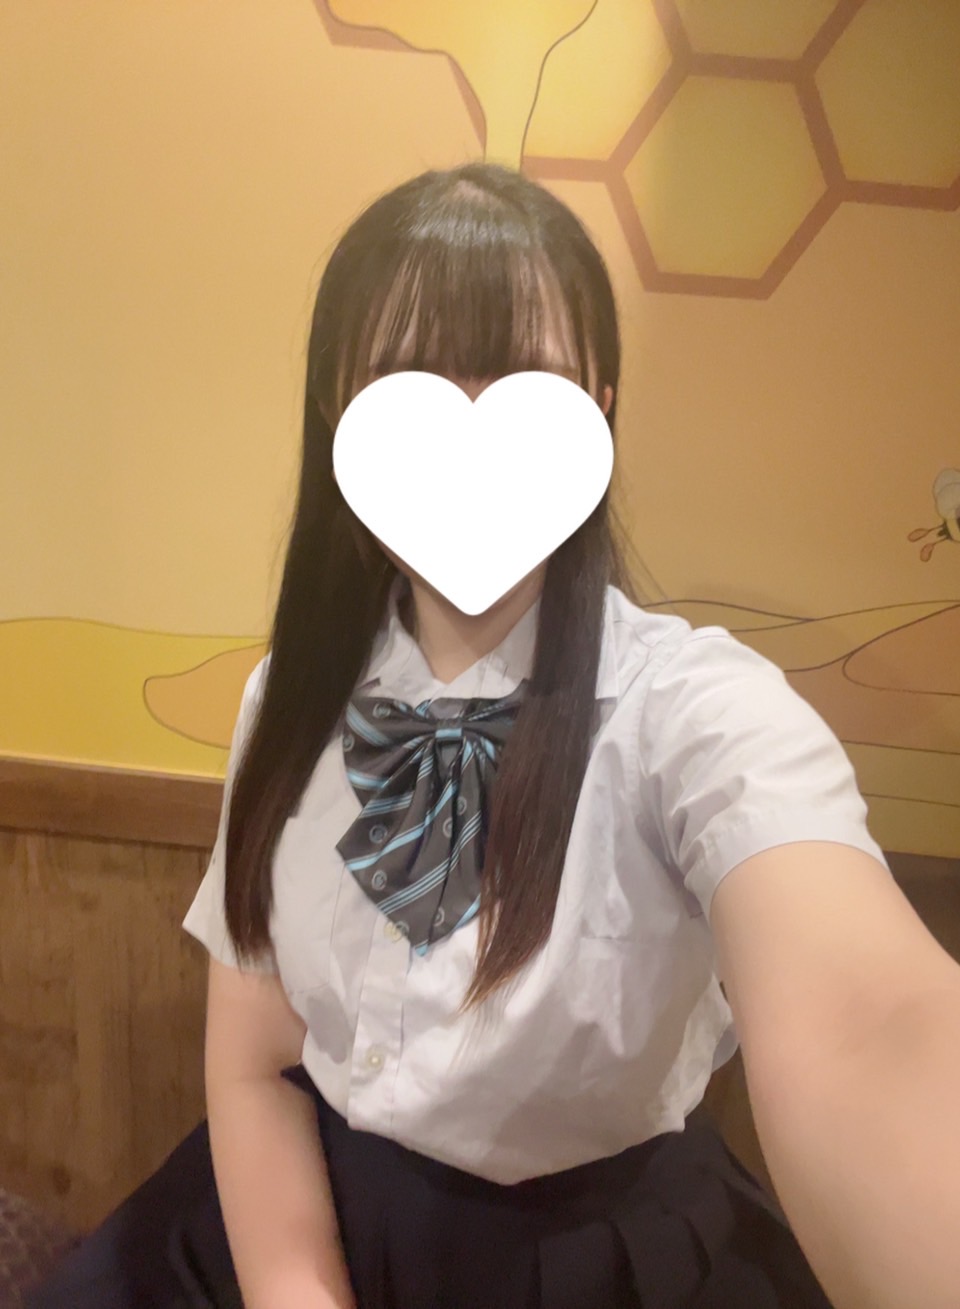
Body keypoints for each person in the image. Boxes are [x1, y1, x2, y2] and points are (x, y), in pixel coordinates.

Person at [27, 162, 960, 1309]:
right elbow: (255, 1061)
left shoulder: (695, 710)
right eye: (407, 383)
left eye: (524, 383)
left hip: (600, 1256)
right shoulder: (289, 695)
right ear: (338, 414)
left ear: (599, 408)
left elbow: (874, 1026)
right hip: (296, 1212)